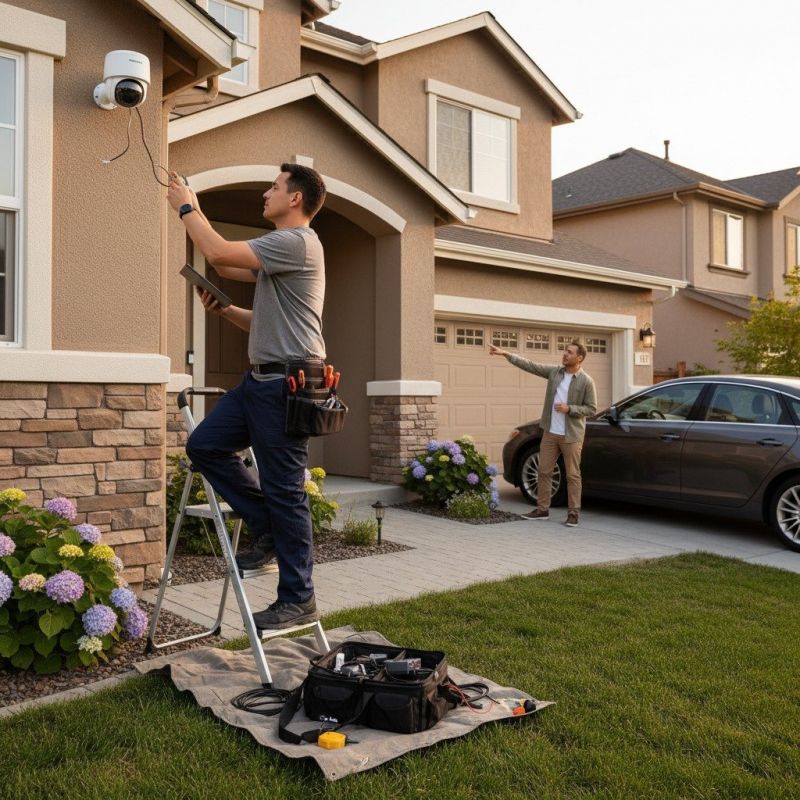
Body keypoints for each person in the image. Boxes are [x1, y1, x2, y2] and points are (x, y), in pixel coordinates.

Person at [166, 163, 327, 629]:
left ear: (294, 198)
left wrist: (185, 205)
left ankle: (299, 597)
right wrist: (226, 310)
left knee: (286, 491)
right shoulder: (284, 252)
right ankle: (266, 529)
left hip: (287, 384)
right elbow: (261, 317)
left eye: (274, 187)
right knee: (204, 445)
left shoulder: (296, 242)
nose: (266, 193)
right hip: (260, 381)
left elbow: (216, 251)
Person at [489, 340, 596, 527]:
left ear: (579, 358)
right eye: (565, 351)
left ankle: (573, 514)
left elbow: (591, 409)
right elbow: (531, 366)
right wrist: (506, 354)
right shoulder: (555, 372)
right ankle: (542, 509)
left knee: (572, 475)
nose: (565, 354)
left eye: (569, 352)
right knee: (544, 471)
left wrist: (569, 408)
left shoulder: (586, 381)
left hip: (571, 435)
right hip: (550, 433)